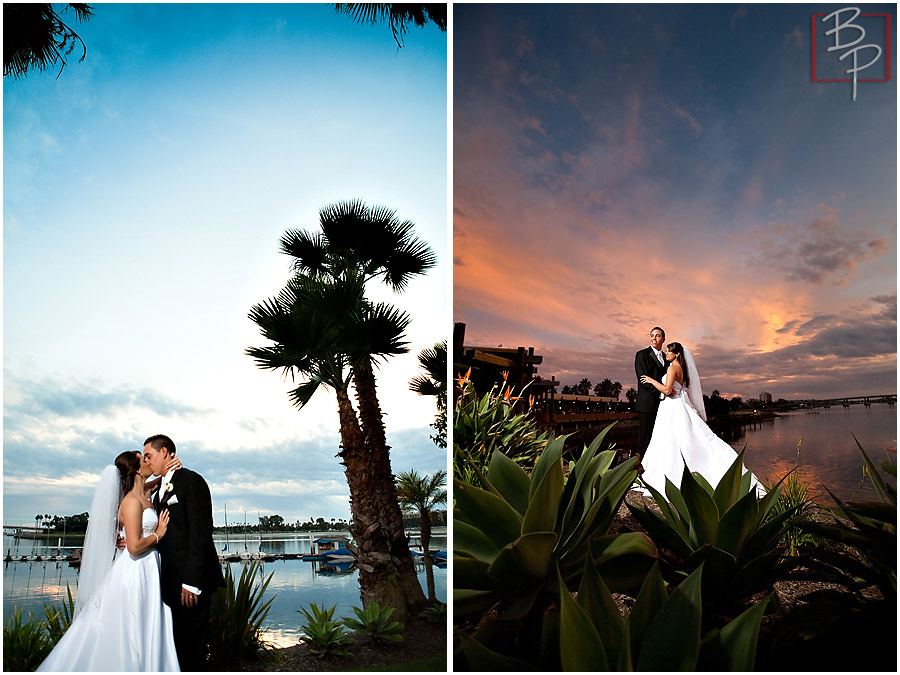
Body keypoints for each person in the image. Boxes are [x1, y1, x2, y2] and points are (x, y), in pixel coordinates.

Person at [38, 451, 181, 671]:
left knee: (146, 626)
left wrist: (170, 466)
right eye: (143, 459)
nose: (148, 461)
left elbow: (157, 480)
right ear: (135, 470)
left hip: (150, 568)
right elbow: (133, 548)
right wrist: (158, 534)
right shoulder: (132, 501)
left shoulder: (143, 492)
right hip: (136, 571)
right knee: (131, 629)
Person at [638, 341, 765, 496]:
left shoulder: (672, 368)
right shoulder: (681, 369)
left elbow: (667, 389)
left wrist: (651, 381)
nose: (666, 354)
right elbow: (675, 389)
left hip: (672, 407)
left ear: (677, 354)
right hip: (676, 405)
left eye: (669, 351)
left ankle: (672, 473)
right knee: (684, 439)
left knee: (671, 439)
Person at [143, 434, 225, 672]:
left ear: (165, 452)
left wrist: (192, 582)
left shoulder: (191, 481)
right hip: (168, 582)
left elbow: (200, 533)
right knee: (178, 644)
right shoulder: (158, 488)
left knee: (193, 648)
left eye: (150, 455)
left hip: (190, 584)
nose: (147, 461)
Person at [634, 326, 668, 459]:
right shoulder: (641, 355)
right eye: (652, 335)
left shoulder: (666, 357)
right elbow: (643, 379)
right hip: (647, 403)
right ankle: (639, 467)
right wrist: (661, 393)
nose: (654, 338)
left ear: (663, 339)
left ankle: (653, 464)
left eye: (657, 335)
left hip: (662, 405)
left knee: (657, 436)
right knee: (644, 437)